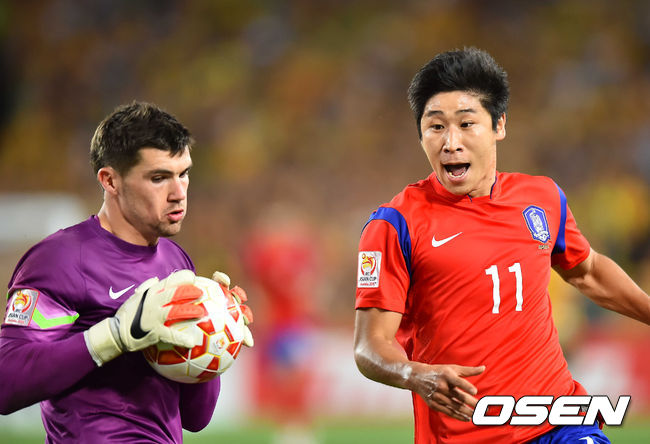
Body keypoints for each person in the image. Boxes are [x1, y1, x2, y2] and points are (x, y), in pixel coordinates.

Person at [353, 47, 650, 443]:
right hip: (462, 434)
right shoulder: (395, 225)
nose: (451, 142)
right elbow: (370, 346)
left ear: (499, 125)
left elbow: (589, 272)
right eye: (435, 126)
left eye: (466, 123)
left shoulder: (542, 198)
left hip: (558, 420)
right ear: (420, 134)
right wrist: (416, 374)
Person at [0, 101, 252, 443]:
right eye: (159, 178)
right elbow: (7, 383)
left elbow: (196, 417)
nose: (179, 193)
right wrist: (115, 336)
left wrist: (217, 335)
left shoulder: (177, 262)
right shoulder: (61, 260)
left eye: (184, 174)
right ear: (110, 180)